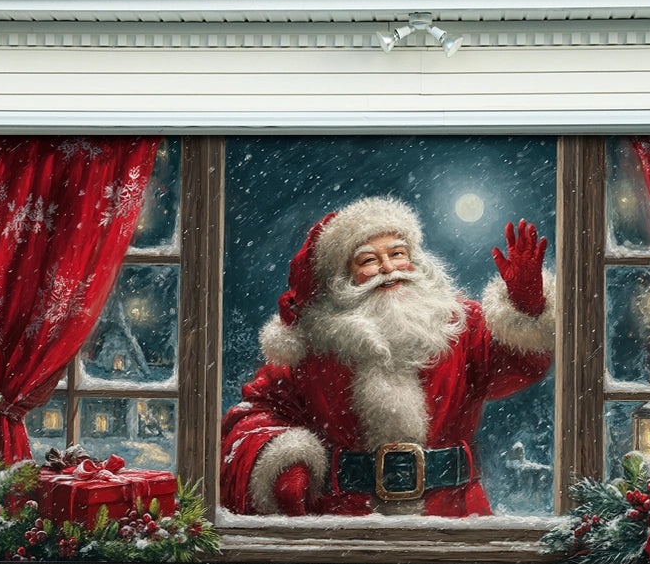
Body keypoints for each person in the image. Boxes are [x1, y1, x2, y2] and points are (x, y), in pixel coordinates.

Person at [220, 196, 554, 517]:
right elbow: (253, 415)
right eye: (368, 260)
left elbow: (521, 365)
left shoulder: (462, 324)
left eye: (398, 253)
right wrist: (283, 461)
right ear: (341, 278)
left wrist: (527, 308)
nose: (388, 268)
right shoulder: (313, 344)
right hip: (343, 521)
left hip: (453, 516)